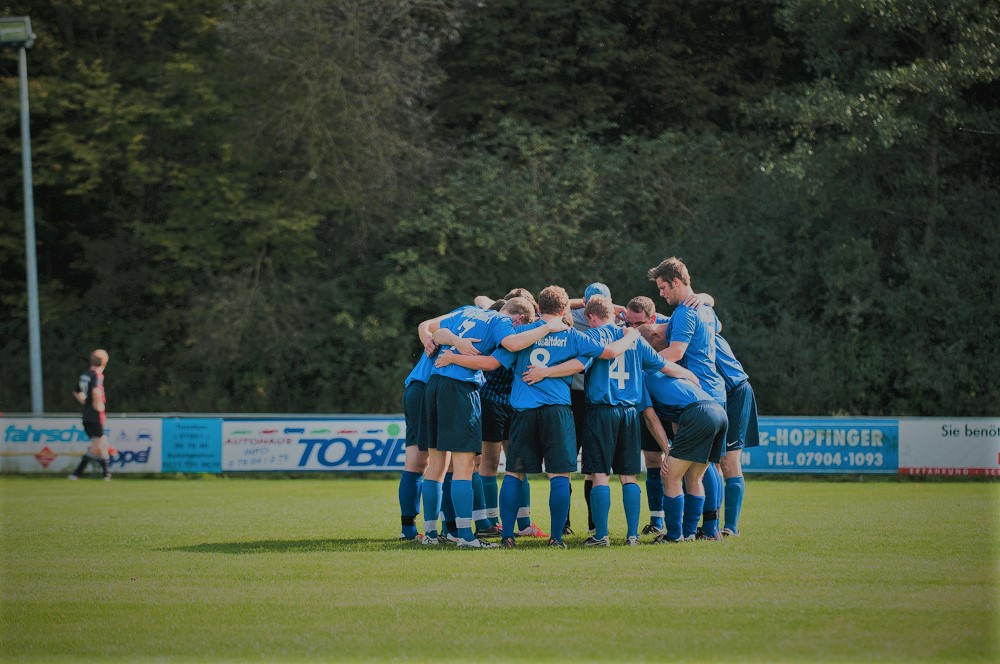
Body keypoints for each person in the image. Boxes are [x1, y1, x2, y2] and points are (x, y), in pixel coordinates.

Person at [441, 286, 640, 548]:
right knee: (559, 476)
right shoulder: (571, 335)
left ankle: (507, 536)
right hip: (557, 411)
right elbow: (609, 352)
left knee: (514, 474)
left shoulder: (521, 333)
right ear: (563, 310)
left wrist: (454, 357)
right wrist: (631, 335)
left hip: (523, 412)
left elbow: (492, 361)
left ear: (539, 308)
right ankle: (556, 538)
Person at [524, 295, 699, 547]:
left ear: (592, 317)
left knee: (600, 475)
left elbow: (577, 365)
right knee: (629, 476)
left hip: (601, 411)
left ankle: (601, 535)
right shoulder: (636, 340)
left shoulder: (592, 337)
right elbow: (663, 365)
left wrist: (546, 371)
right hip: (629, 413)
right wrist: (690, 375)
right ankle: (632, 535)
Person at [419, 297, 560, 548]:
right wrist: (548, 327)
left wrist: (454, 342)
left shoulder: (471, 312)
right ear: (519, 319)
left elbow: (436, 331)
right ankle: (465, 536)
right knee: (464, 465)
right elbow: (503, 352)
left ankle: (430, 534)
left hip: (434, 386)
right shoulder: (503, 322)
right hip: (460, 389)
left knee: (436, 463)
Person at [636, 326, 728, 543]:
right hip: (717, 411)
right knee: (694, 477)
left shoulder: (641, 374)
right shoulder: (669, 368)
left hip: (698, 414)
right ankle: (689, 533)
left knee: (670, 476)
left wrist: (668, 451)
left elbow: (651, 418)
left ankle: (674, 534)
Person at [475, 289, 549, 540]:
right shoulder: (499, 327)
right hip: (491, 400)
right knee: (490, 463)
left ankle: (525, 523)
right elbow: (481, 300)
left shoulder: (524, 328)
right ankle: (491, 520)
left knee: (519, 463)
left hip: (514, 404)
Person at [714, 332, 760, 537]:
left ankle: (731, 527)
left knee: (728, 461)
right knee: (711, 461)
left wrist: (706, 297)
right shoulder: (681, 321)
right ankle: (711, 525)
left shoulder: (688, 320)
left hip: (735, 391)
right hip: (717, 394)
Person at [68, 349, 111, 481]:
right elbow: (96, 392)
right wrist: (99, 407)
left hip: (87, 414)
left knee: (103, 444)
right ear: (104, 362)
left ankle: (106, 475)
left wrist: (85, 402)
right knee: (97, 447)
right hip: (94, 415)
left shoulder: (85, 374)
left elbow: (76, 391)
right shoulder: (97, 375)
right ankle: (75, 474)